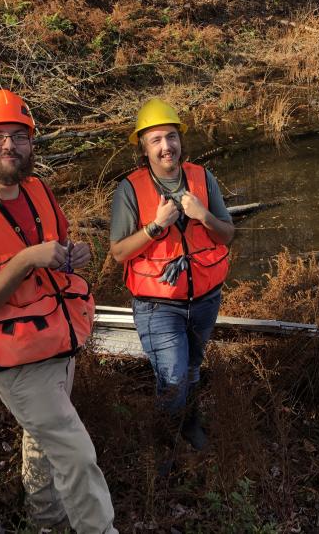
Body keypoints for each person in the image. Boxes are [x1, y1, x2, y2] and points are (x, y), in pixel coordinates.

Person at [0, 89, 118, 534]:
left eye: (19, 135)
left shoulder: (38, 190)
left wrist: (77, 254)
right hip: (16, 362)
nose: (9, 145)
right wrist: (25, 260)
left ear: (32, 142)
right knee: (76, 453)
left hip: (59, 338)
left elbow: (59, 246)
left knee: (42, 441)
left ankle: (46, 521)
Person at [109, 98, 234, 452]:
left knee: (193, 368)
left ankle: (189, 423)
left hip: (205, 298)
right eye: (156, 140)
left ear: (180, 140)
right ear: (144, 149)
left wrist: (202, 215)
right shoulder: (129, 190)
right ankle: (164, 441)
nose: (167, 147)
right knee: (174, 376)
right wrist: (154, 227)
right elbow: (119, 252)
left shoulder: (201, 178)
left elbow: (226, 234)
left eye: (171, 137)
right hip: (157, 305)